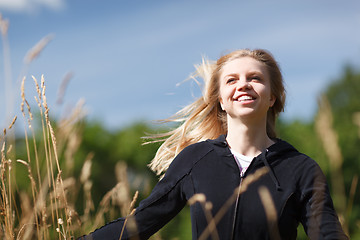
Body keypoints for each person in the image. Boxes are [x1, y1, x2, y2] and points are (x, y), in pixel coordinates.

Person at [79, 49, 349, 239]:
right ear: (221, 99)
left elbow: (327, 234)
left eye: (255, 78)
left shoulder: (301, 169)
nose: (243, 85)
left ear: (273, 98)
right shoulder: (194, 160)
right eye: (232, 80)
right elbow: (140, 224)